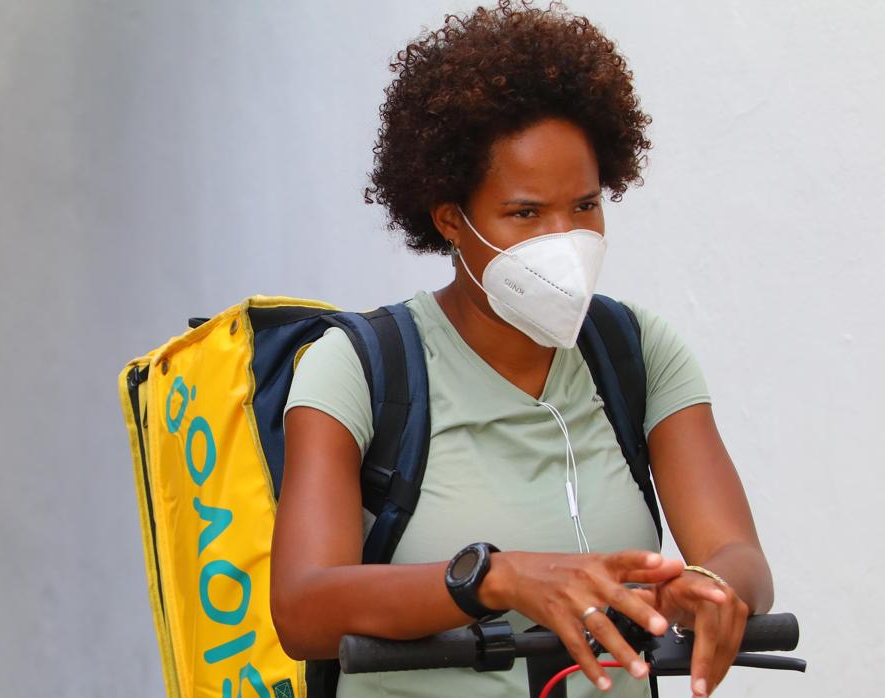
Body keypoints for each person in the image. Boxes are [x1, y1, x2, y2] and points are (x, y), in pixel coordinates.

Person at [269, 2, 774, 697]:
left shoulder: (638, 353)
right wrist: (493, 577)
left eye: (586, 206)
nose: (564, 240)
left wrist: (712, 589)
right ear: (451, 218)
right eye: (526, 214)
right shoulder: (356, 367)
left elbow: (738, 554)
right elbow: (302, 608)